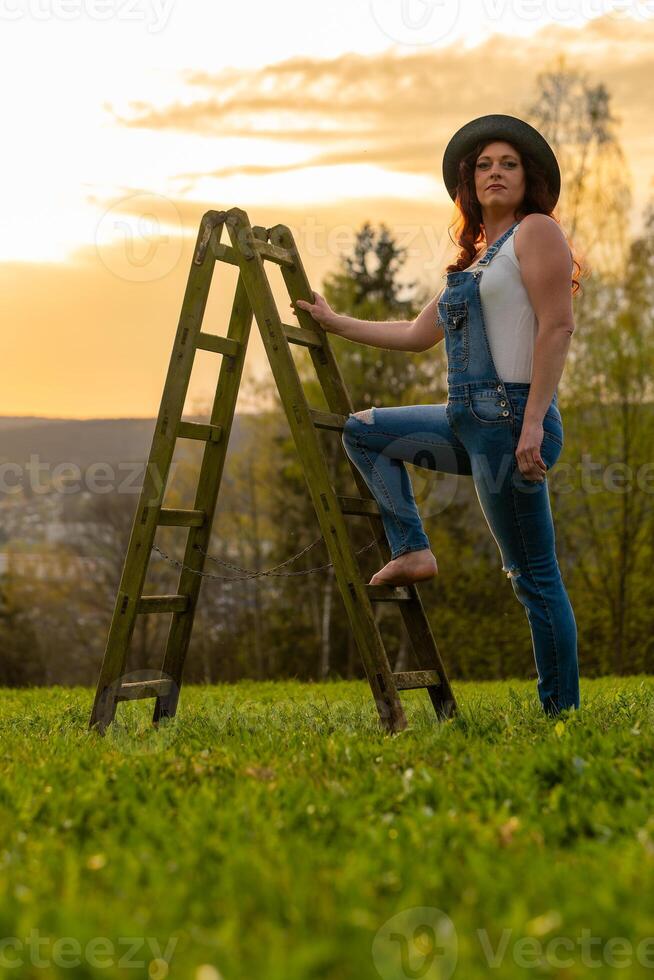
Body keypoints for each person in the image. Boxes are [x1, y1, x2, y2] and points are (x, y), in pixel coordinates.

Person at [294, 114, 581, 716]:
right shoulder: (475, 259)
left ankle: (562, 714)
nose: (495, 172)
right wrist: (334, 321)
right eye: (484, 165)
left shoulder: (537, 233)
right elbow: (414, 334)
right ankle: (414, 549)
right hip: (466, 421)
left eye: (508, 163)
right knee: (364, 432)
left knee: (533, 578)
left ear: (527, 179)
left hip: (511, 423)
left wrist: (532, 426)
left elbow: (557, 326)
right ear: (469, 184)